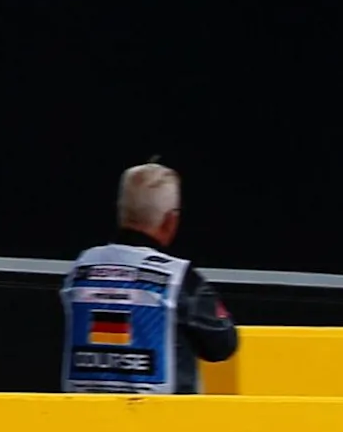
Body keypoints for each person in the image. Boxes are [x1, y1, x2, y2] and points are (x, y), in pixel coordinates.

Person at [61, 162, 238, 394]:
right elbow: (223, 344)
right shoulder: (179, 278)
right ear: (170, 221)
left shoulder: (80, 268)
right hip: (162, 424)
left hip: (83, 422)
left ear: (121, 212)